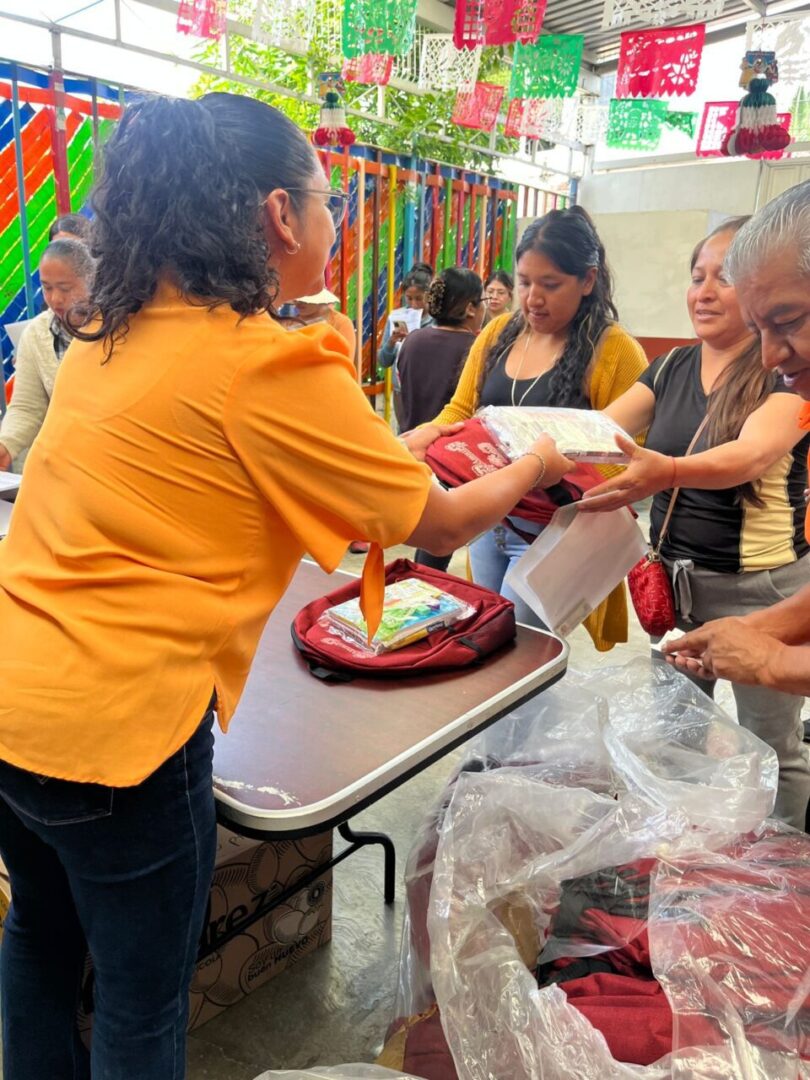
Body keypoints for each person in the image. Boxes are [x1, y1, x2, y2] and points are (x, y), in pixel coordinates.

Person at [0, 92, 574, 1079]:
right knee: (140, 1003)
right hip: (120, 733)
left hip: (13, 700)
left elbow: (245, 458)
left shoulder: (112, 330)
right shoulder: (268, 359)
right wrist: (539, 459)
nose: (334, 220)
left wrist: (399, 439)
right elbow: (427, 524)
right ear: (279, 214)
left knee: (40, 945)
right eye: (327, 200)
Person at [579, 216, 810, 829]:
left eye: (724, 278)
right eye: (696, 276)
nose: (704, 291)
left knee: (772, 747)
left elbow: (750, 456)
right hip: (677, 584)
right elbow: (604, 427)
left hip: (762, 586)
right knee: (676, 730)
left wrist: (668, 470)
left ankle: (780, 871)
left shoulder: (786, 376)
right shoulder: (673, 366)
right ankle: (680, 851)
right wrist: (520, 445)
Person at [413, 206, 647, 650]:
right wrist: (431, 433)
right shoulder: (499, 332)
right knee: (491, 650)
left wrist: (558, 469)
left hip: (556, 536)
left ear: (588, 281)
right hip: (492, 519)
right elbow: (461, 408)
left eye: (551, 285)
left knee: (517, 653)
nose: (533, 298)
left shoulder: (616, 351)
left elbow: (629, 456)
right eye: (524, 282)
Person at [398, 267, 485, 571]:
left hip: (414, 449)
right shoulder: (475, 349)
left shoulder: (412, 341)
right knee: (438, 550)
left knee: (426, 543)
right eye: (483, 300)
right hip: (451, 462)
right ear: (471, 307)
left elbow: (400, 392)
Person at [0, 238, 94, 471]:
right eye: (47, 287)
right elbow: (26, 406)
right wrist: (5, 444)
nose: (55, 299)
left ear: (92, 281)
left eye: (65, 288)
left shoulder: (117, 327)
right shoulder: (36, 334)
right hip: (64, 464)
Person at [379, 262, 434, 428]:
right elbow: (383, 361)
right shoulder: (398, 317)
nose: (414, 304)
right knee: (404, 431)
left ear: (429, 296)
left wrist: (415, 341)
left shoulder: (436, 320)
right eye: (409, 299)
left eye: (419, 299)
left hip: (427, 388)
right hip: (401, 388)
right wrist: (391, 342)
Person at [294, 288, 356, 353]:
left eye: (305, 298)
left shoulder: (341, 323)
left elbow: (345, 359)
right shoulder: (288, 322)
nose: (298, 302)